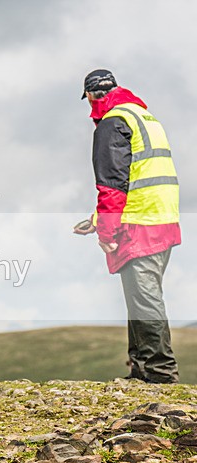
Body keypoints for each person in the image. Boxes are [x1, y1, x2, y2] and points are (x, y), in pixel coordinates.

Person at [74, 69, 181, 384]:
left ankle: (161, 373)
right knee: (142, 295)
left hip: (139, 225)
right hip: (162, 218)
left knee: (145, 298)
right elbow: (140, 178)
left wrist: (107, 232)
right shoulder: (145, 117)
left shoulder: (112, 124)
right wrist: (96, 220)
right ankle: (141, 369)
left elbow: (113, 186)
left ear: (92, 96)